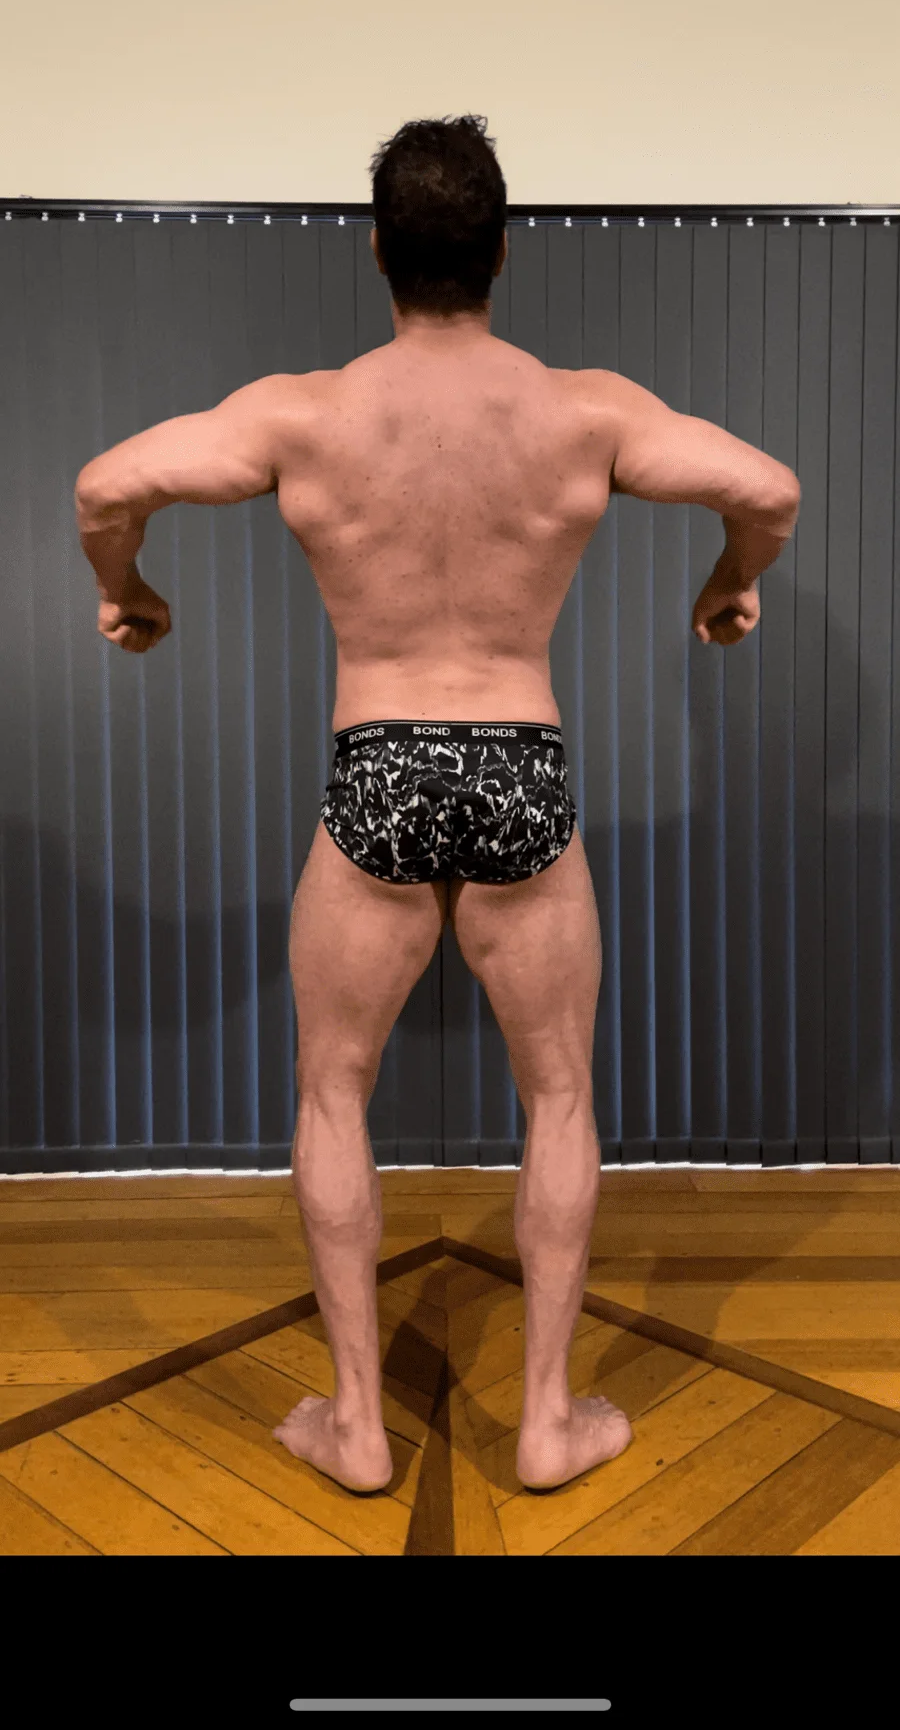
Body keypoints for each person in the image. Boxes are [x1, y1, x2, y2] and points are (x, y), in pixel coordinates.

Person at [75, 116, 801, 1493]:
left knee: (332, 1090)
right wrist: (730, 579)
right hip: (521, 760)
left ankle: (357, 1427)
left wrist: (130, 590)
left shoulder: (307, 413)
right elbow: (768, 489)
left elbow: (108, 485)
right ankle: (547, 1421)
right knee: (561, 1093)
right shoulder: (585, 411)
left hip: (381, 760)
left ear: (378, 251)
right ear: (502, 251)